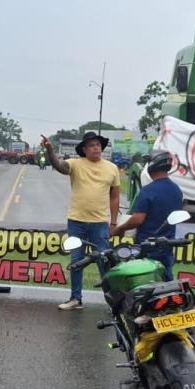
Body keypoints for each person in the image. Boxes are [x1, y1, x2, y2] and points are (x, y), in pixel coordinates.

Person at [41, 131, 120, 311]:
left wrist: (113, 223)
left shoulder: (112, 168)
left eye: (98, 145)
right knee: (77, 260)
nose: (96, 148)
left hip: (100, 222)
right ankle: (76, 298)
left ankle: (114, 302)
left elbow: (115, 197)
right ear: (84, 149)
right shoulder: (75, 164)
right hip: (76, 221)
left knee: (104, 261)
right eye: (92, 145)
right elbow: (59, 165)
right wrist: (50, 150)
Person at [111, 150, 183, 281]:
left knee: (144, 282)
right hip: (167, 245)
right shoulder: (177, 190)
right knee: (166, 281)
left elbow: (138, 219)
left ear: (153, 165)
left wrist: (120, 229)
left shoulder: (148, 190)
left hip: (147, 246)